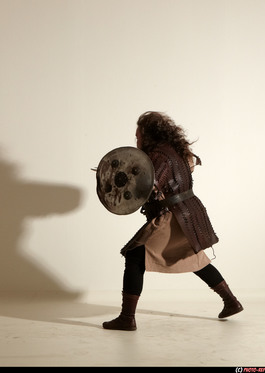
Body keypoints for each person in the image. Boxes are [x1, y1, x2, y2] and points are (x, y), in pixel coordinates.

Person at [102, 111, 243, 331]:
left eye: (138, 135)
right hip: (189, 213)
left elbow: (149, 187)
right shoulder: (176, 151)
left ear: (148, 135)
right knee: (194, 258)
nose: (136, 140)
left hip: (173, 216)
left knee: (135, 256)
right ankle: (231, 301)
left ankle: (127, 318)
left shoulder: (158, 157)